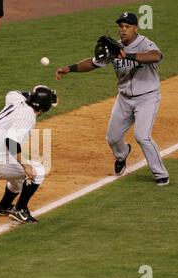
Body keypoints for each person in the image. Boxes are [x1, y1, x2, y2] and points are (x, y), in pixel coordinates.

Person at [56, 12, 169, 186]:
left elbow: (156, 56)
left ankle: (160, 173)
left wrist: (128, 56)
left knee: (142, 136)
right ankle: (122, 154)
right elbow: (93, 63)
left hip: (147, 98)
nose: (123, 30)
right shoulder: (114, 47)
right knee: (113, 138)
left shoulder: (145, 43)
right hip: (124, 99)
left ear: (135, 29)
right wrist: (69, 69)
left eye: (127, 27)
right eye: (121, 26)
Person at [0, 85, 57, 223]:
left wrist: (37, 94)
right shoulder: (28, 116)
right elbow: (11, 141)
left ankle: (4, 206)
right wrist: (26, 165)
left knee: (19, 178)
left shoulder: (16, 99)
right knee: (38, 170)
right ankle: (20, 209)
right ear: (44, 109)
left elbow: (12, 92)